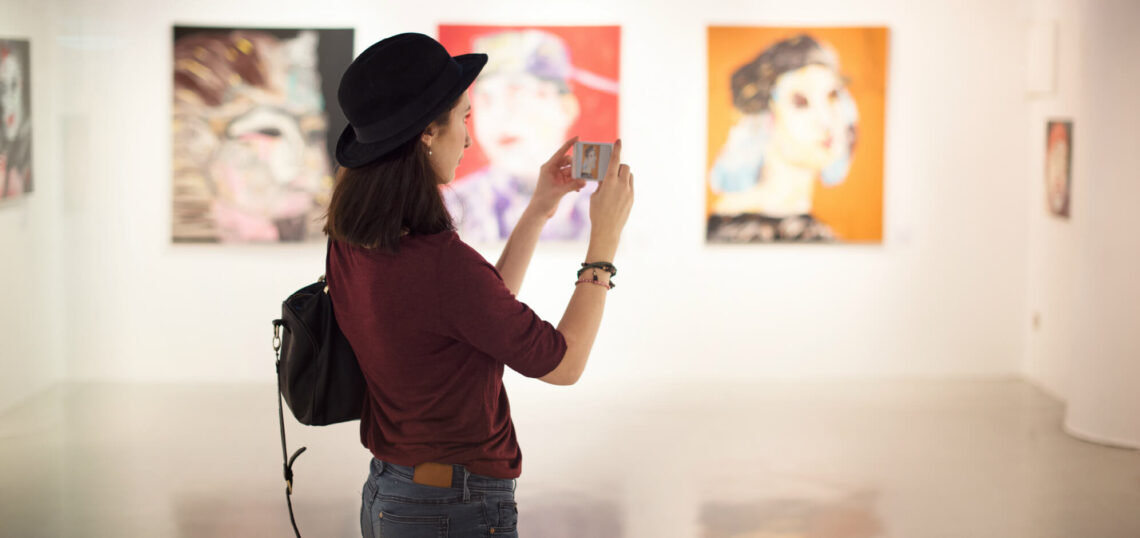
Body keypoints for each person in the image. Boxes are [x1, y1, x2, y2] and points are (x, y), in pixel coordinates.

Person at [324, 33, 634, 537]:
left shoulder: (351, 240)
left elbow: (478, 316)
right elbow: (563, 363)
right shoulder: (441, 265)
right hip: (452, 508)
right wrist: (604, 245)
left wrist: (536, 210)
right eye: (465, 117)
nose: (469, 139)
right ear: (428, 132)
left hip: (390, 494)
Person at [444, 29, 597, 242]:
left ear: (565, 108)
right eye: (486, 100)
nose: (499, 116)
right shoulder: (453, 206)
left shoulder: (598, 202)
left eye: (517, 96)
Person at [707, 34, 857, 242]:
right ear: (767, 117)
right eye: (800, 102)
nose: (826, 121)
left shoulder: (819, 235)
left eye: (832, 96)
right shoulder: (729, 231)